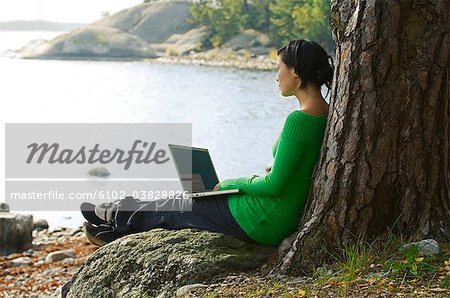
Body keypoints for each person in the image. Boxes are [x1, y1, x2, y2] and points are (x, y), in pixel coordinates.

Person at [81, 38, 334, 247]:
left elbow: (274, 184)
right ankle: (113, 227)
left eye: (279, 67)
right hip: (272, 213)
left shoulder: (299, 119)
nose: (276, 76)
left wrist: (231, 183)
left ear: (296, 71)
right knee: (187, 199)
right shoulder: (327, 114)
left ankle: (115, 217)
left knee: (181, 206)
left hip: (264, 218)